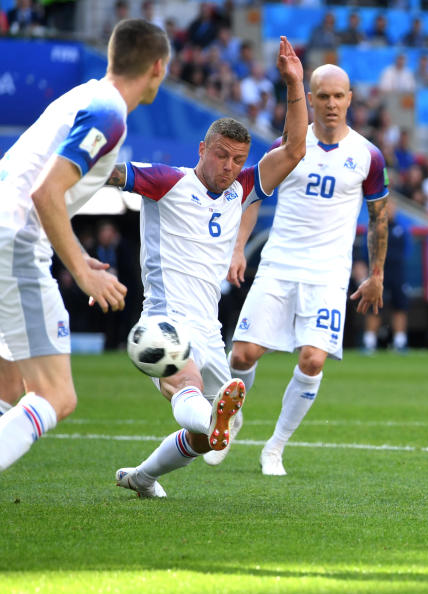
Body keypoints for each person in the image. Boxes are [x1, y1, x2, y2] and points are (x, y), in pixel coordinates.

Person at [107, 37, 306, 497]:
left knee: (204, 437)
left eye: (239, 159)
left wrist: (294, 84)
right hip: (165, 316)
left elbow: (295, 149)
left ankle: (144, 476)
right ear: (203, 148)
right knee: (188, 384)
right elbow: (115, 174)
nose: (231, 167)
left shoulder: (242, 189)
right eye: (222, 156)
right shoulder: (168, 182)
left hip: (210, 328)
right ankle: (209, 412)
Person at [0, 19, 169, 472]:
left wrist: (74, 253)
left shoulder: (83, 96)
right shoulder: (109, 114)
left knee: (8, 383)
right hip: (14, 243)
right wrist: (81, 267)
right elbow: (45, 193)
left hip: (5, 232)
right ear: (158, 66)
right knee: (56, 395)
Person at [226, 63, 390, 477]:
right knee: (243, 353)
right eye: (323, 96)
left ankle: (275, 448)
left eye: (339, 96)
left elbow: (379, 218)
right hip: (279, 264)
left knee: (314, 360)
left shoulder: (367, 155)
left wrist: (377, 274)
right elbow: (253, 195)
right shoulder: (290, 148)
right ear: (310, 99)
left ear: (350, 98)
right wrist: (238, 250)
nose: (332, 104)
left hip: (328, 275)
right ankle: (230, 417)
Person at [363, 200, 408, 354]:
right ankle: (369, 342)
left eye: (392, 207)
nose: (390, 210)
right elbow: (366, 251)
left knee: (399, 306)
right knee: (374, 306)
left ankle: (400, 342)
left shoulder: (401, 228)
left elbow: (407, 251)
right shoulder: (374, 228)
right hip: (377, 273)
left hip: (396, 273)